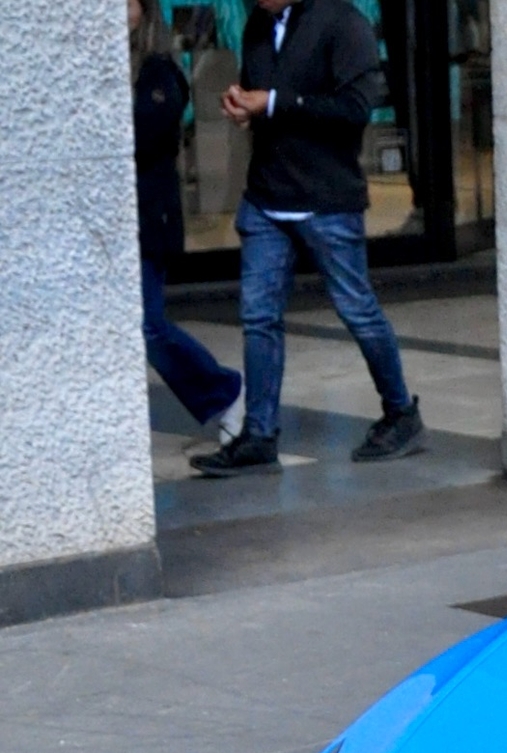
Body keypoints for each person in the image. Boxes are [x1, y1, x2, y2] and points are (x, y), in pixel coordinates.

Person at [190, 0, 424, 478]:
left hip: (327, 197)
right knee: (258, 317)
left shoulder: (344, 23)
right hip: (266, 196)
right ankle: (259, 436)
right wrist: (247, 107)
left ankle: (401, 413)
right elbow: (269, 98)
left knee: (357, 307)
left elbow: (355, 109)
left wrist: (273, 102)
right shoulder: (259, 25)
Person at [132, 0, 244, 445]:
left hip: (149, 221)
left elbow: (142, 136)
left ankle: (223, 392)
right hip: (113, 227)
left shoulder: (160, 73)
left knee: (149, 325)